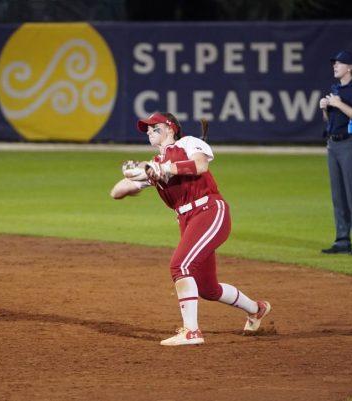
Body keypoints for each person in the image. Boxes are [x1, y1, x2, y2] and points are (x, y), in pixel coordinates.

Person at [110, 112, 271, 346]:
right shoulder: (155, 166)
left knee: (180, 265)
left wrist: (162, 169)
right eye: (146, 129)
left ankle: (191, 332)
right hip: (188, 221)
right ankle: (257, 309)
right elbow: (116, 192)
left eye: (154, 127)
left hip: (209, 210)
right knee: (208, 288)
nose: (148, 131)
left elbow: (200, 164)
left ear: (171, 128)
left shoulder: (188, 143)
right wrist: (135, 177)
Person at [319, 50, 352, 255]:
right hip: (333, 143)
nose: (335, 66)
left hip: (351, 143)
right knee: (338, 195)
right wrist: (325, 108)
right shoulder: (335, 88)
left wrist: (338, 103)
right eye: (334, 63)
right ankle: (342, 240)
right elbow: (331, 120)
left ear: (350, 67)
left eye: (339, 63)